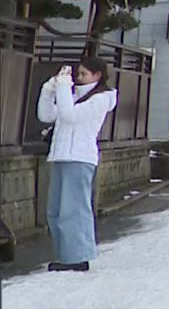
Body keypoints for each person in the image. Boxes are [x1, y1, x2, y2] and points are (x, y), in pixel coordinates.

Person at [36, 56, 118, 273]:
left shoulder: (101, 99)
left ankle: (78, 257)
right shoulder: (72, 95)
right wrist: (50, 89)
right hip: (61, 155)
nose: (78, 78)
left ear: (97, 75)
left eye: (83, 74)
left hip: (80, 157)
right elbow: (46, 115)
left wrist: (63, 88)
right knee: (55, 210)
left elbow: (69, 116)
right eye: (77, 74)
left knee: (73, 209)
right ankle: (64, 255)